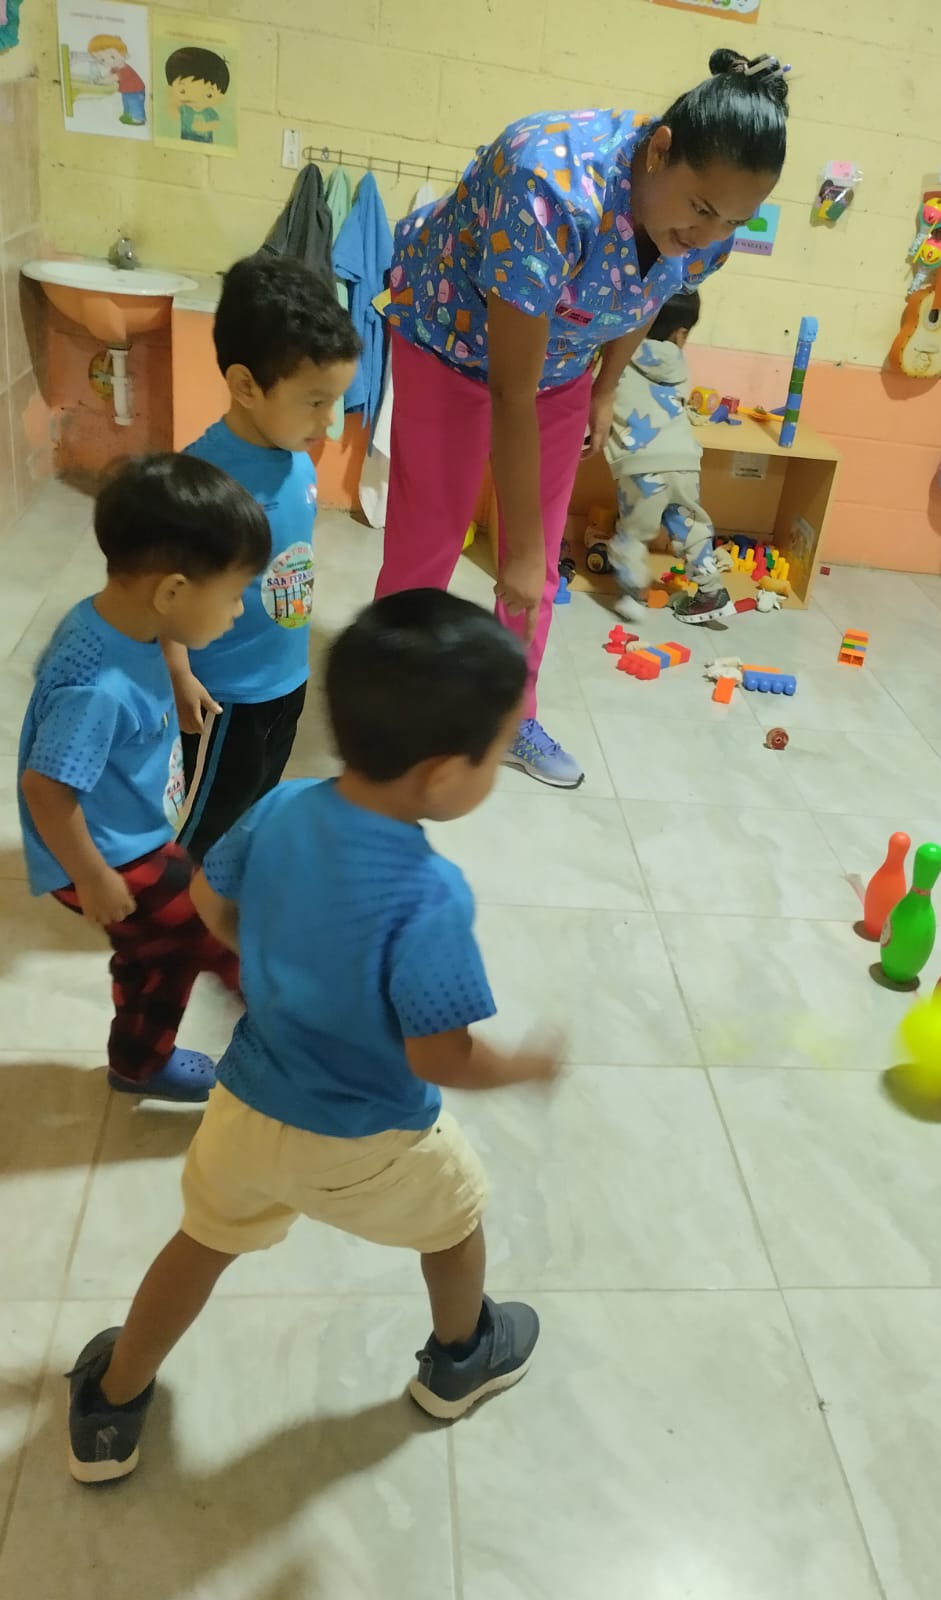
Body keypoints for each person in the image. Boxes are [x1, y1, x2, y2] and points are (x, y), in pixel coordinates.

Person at [65, 591, 563, 1485]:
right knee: (456, 1222)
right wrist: (523, 1065)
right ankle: (461, 1359)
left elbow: (211, 901)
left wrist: (281, 959)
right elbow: (438, 1055)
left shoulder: (285, 805)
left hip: (246, 1105)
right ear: (442, 776)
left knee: (202, 1241)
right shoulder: (429, 896)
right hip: (369, 1138)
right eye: (495, 754)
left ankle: (110, 1406)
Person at [381, 47, 790, 788]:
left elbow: (649, 293)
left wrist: (605, 388)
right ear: (660, 150)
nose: (710, 233)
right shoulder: (546, 183)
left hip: (560, 363)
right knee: (430, 541)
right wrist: (515, 554)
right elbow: (511, 391)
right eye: (702, 209)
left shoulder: (709, 229)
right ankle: (389, 714)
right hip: (450, 339)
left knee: (536, 571)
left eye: (734, 219)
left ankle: (511, 717)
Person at [17, 455, 271, 1103]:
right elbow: (46, 788)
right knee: (210, 929)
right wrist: (92, 876)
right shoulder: (98, 690)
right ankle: (287, 1035)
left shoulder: (113, 618)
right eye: (234, 594)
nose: (238, 611)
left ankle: (139, 1058)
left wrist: (179, 675)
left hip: (125, 833)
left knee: (160, 949)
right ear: (172, 593)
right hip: (106, 854)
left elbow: (158, 638)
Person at [166, 253, 359, 864]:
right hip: (221, 695)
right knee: (203, 821)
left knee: (252, 807)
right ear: (246, 385)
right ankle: (175, 907)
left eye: (334, 402)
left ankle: (226, 891)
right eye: (315, 402)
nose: (328, 423)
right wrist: (178, 673)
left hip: (284, 681)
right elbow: (165, 590)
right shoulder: (203, 482)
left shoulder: (295, 457)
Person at [603, 289, 733, 623]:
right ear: (680, 333)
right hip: (685, 460)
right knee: (690, 526)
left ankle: (633, 595)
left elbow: (599, 396)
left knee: (634, 532)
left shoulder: (615, 350)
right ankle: (711, 592)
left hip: (641, 465)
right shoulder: (677, 363)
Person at [163, 46, 229, 145]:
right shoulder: (184, 109)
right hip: (185, 141)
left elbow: (216, 123)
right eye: (182, 90)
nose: (195, 99)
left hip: (206, 142)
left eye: (209, 95)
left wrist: (205, 127)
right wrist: (171, 100)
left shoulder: (209, 112)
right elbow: (174, 114)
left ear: (221, 97)